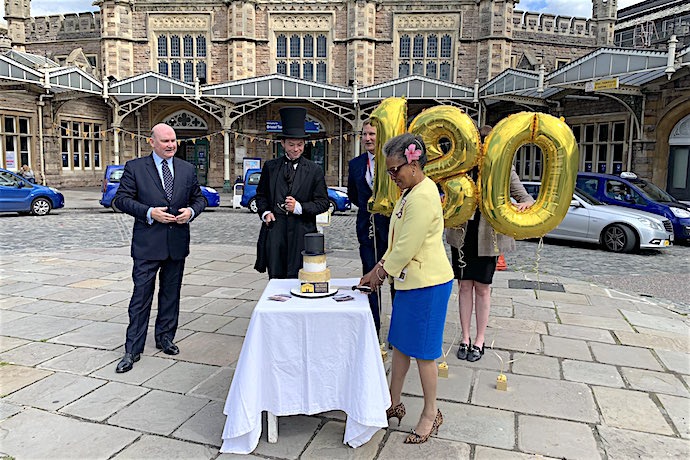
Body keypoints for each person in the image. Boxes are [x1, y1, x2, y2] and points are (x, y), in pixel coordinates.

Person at [360, 133, 453, 445]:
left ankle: (431, 413)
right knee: (399, 344)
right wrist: (377, 267)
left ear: (413, 164)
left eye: (395, 170)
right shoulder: (409, 191)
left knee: (425, 354)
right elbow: (396, 243)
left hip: (428, 285)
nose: (392, 177)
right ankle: (392, 400)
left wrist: (380, 273)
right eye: (389, 171)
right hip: (410, 282)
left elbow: (408, 245)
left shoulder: (424, 196)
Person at [113, 123, 206, 373]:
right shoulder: (135, 168)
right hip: (147, 245)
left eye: (173, 140)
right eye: (165, 141)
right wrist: (149, 212)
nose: (171, 145)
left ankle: (165, 337)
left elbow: (200, 198)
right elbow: (120, 200)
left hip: (176, 244)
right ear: (151, 142)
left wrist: (191, 211)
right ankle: (132, 349)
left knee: (170, 295)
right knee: (141, 297)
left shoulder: (186, 169)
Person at [446, 125, 534, 363]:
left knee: (482, 288)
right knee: (464, 286)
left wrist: (523, 205)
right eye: (479, 143)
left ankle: (479, 340)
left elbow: (524, 196)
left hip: (488, 236)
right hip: (462, 234)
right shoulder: (459, 166)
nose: (482, 148)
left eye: (486, 144)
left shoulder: (503, 168)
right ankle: (465, 337)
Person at [254, 107, 329, 279]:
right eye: (291, 145)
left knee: (300, 278)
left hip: (302, 232)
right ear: (283, 144)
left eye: (300, 145)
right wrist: (265, 213)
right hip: (276, 232)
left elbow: (323, 202)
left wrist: (299, 207)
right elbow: (261, 196)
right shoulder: (271, 167)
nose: (296, 149)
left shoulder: (314, 170)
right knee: (276, 277)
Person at [347, 120, 392, 333]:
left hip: (391, 228)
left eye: (372, 134)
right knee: (370, 276)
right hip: (367, 227)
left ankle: (398, 330)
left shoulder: (392, 161)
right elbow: (353, 196)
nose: (367, 138)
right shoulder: (356, 164)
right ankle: (373, 326)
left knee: (395, 279)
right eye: (364, 134)